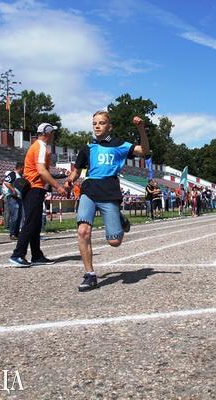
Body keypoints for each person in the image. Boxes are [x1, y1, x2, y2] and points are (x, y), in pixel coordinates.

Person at [64, 112, 149, 291]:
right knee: (83, 231)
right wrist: (69, 180)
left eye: (101, 123)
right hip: (89, 190)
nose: (97, 126)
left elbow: (144, 152)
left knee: (114, 242)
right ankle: (90, 275)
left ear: (109, 126)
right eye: (94, 123)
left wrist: (141, 129)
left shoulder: (119, 145)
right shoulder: (87, 147)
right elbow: (77, 171)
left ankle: (120, 219)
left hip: (109, 191)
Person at [9, 123, 65, 267]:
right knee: (31, 222)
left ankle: (36, 255)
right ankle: (18, 254)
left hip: (34, 188)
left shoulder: (37, 146)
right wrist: (57, 186)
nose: (54, 135)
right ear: (48, 133)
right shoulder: (41, 147)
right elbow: (41, 170)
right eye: (53, 132)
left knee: (35, 223)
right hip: (34, 188)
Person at [3, 162, 24, 240]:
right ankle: (12, 233)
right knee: (15, 215)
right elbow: (6, 182)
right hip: (12, 197)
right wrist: (13, 190)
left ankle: (16, 233)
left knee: (19, 216)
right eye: (24, 168)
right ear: (21, 168)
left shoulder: (20, 176)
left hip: (19, 197)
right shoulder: (13, 174)